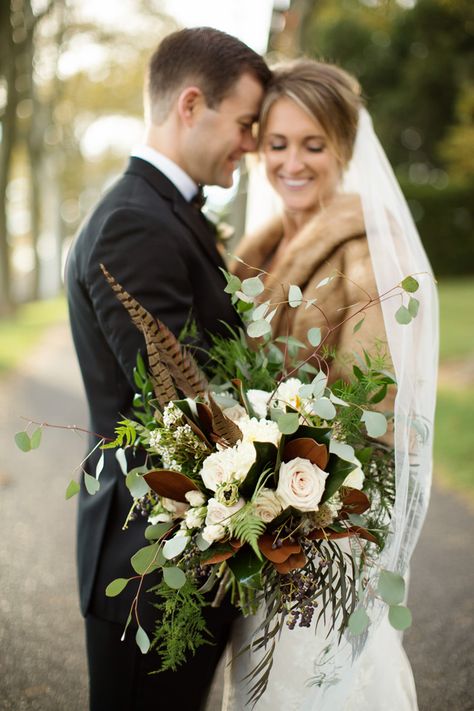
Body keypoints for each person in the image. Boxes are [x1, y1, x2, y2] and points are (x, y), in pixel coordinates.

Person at [66, 27, 270, 711]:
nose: (250, 142)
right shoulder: (136, 221)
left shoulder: (159, 212)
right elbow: (177, 409)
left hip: (179, 550)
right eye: (245, 123)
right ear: (191, 104)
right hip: (151, 563)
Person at [225, 59, 438, 710]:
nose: (294, 162)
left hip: (326, 533)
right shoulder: (254, 250)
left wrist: (286, 479)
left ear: (344, 148)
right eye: (279, 144)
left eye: (314, 144)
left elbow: (371, 407)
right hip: (262, 527)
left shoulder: (370, 253)